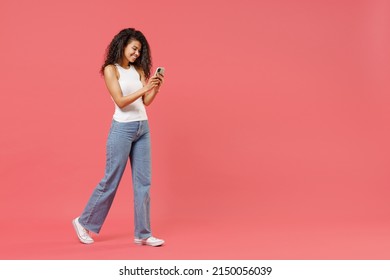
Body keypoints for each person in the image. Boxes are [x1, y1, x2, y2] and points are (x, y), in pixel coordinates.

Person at [72, 28, 165, 247]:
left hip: (143, 128)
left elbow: (146, 102)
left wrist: (155, 86)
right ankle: (83, 221)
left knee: (144, 183)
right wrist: (144, 90)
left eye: (139, 50)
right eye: (133, 48)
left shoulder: (139, 69)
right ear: (122, 45)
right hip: (122, 129)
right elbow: (121, 101)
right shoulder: (110, 70)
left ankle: (143, 234)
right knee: (111, 180)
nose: (136, 53)